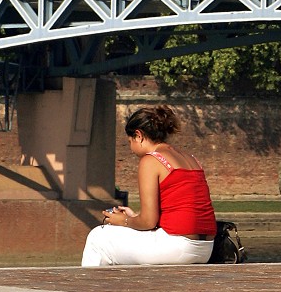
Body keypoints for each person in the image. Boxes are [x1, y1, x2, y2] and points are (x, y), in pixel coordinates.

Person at [82, 103, 216, 266]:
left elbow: (148, 222)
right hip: (206, 248)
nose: (131, 148)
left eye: (130, 141)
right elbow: (176, 209)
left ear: (138, 135)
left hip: (178, 246)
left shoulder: (151, 160)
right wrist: (133, 218)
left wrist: (123, 221)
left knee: (98, 238)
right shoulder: (190, 158)